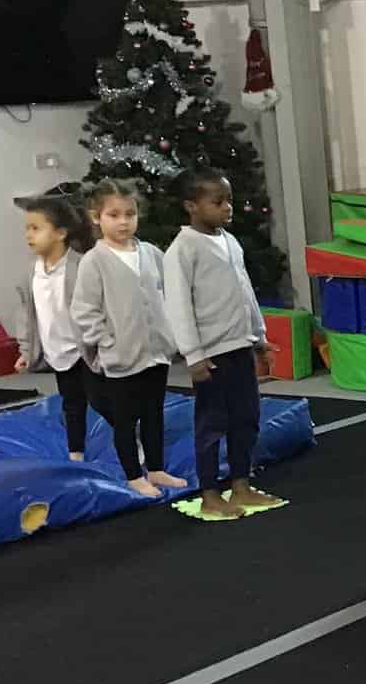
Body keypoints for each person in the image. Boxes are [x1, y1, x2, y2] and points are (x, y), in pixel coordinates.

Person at [165, 170, 282, 521]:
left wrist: (259, 337)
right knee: (212, 422)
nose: (227, 207)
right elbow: (179, 306)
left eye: (229, 200)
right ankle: (210, 493)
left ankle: (241, 484)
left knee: (246, 417)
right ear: (191, 206)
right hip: (211, 353)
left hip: (239, 345)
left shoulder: (230, 241)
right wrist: (193, 354)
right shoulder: (182, 249)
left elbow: (245, 292)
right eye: (217, 202)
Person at [73, 180, 183, 499]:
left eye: (130, 214)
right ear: (96, 217)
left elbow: (169, 293)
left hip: (157, 352)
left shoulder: (151, 253)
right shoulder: (94, 261)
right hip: (122, 355)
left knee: (154, 413)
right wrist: (106, 342)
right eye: (114, 215)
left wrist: (170, 335)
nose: (123, 222)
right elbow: (84, 310)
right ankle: (134, 475)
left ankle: (157, 468)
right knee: (125, 419)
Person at [15, 194, 100, 461]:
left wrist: (103, 342)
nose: (29, 235)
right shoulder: (31, 273)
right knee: (71, 402)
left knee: (102, 401)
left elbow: (99, 307)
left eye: (36, 228)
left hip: (88, 349)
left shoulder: (81, 266)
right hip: (58, 352)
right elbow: (27, 315)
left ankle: (131, 439)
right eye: (27, 228)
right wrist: (26, 351)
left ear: (60, 233)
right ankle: (76, 452)